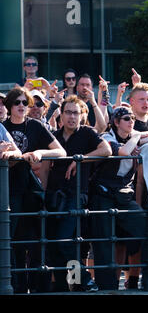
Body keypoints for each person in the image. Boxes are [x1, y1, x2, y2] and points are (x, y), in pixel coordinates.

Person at [3, 87, 67, 293]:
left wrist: (39, 152)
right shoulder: (2, 127)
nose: (21, 106)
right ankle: (14, 285)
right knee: (11, 240)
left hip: (30, 188)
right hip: (7, 190)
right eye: (17, 102)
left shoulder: (37, 126)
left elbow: (61, 151)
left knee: (35, 239)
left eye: (25, 102)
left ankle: (39, 286)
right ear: (9, 106)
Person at [45, 95, 112, 292]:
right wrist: (45, 195)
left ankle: (82, 280)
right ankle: (66, 285)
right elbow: (47, 169)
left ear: (82, 116)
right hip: (54, 196)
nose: (71, 117)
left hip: (76, 196)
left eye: (76, 113)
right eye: (68, 112)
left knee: (66, 241)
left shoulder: (87, 133)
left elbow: (106, 150)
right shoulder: (54, 136)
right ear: (61, 115)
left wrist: (80, 159)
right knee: (55, 244)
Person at [90, 107, 148, 290]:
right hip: (103, 193)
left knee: (142, 223)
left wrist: (147, 138)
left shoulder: (135, 137)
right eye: (126, 118)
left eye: (132, 117)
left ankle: (139, 276)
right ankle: (107, 286)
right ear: (116, 122)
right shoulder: (108, 137)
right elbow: (122, 152)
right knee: (104, 240)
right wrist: (137, 137)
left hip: (124, 195)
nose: (131, 121)